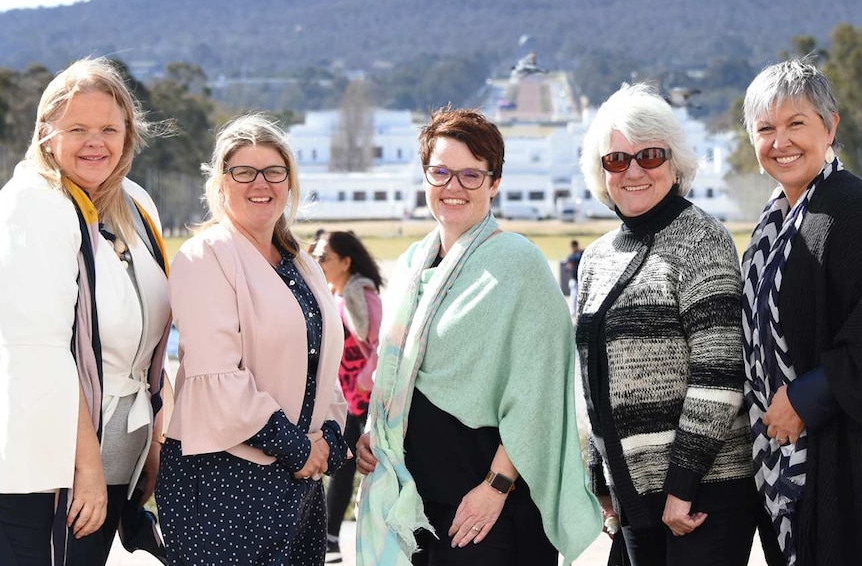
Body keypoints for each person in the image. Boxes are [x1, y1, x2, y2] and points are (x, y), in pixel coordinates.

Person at [354, 106, 601, 566]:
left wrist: (496, 486)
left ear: (495, 182)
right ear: (425, 176)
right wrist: (376, 433)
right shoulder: (412, 265)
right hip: (413, 506)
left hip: (485, 510)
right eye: (441, 172)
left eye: (471, 175)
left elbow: (540, 393)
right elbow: (396, 375)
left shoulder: (518, 263)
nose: (453, 187)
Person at [575, 83, 758, 566]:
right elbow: (591, 379)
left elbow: (720, 375)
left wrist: (683, 484)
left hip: (701, 499)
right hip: (635, 498)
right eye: (616, 160)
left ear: (675, 164)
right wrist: (600, 476)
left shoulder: (703, 240)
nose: (633, 170)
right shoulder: (594, 258)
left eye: (650, 156)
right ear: (600, 171)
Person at [155, 113, 349, 566]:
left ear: (289, 182)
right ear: (222, 182)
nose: (260, 183)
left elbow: (318, 364)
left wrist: (328, 443)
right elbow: (220, 377)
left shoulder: (301, 262)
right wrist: (302, 449)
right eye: (244, 171)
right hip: (224, 481)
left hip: (296, 481)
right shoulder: (205, 257)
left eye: (274, 171)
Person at [0, 57, 172, 566]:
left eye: (108, 129)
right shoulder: (33, 203)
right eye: (77, 129)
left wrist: (152, 442)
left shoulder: (134, 203)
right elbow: (42, 355)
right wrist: (88, 470)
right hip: (51, 468)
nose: (95, 142)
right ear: (46, 133)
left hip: (119, 453)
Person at [741, 59, 862, 566]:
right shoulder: (773, 222)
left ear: (830, 126)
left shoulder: (852, 207)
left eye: (797, 124)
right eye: (766, 128)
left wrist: (809, 395)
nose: (781, 141)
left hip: (840, 458)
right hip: (779, 457)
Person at [313, 231, 384, 564]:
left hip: (366, 399)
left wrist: (364, 381)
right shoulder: (332, 295)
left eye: (324, 257)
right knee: (341, 464)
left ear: (345, 261)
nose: (319, 262)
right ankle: (329, 539)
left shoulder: (361, 295)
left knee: (368, 466)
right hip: (345, 398)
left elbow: (382, 345)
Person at [565, 239, 582, 318]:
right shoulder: (571, 257)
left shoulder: (580, 254)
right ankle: (573, 312)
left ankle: (578, 311)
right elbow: (566, 268)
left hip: (581, 279)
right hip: (574, 279)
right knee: (574, 295)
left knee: (579, 296)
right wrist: (568, 267)